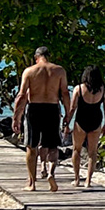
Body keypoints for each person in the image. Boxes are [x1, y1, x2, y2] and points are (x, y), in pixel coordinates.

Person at [12, 47, 71, 193]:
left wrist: (16, 117)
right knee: (52, 146)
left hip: (34, 108)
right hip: (52, 108)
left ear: (36, 57)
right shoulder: (59, 71)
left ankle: (32, 183)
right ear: (49, 56)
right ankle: (51, 173)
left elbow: (21, 96)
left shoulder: (29, 71)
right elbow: (65, 93)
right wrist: (68, 113)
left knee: (31, 147)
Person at [67, 66, 105, 189]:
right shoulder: (103, 90)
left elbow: (72, 108)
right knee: (92, 152)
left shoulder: (79, 89)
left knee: (76, 150)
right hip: (96, 121)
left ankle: (77, 179)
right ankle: (88, 181)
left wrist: (67, 123)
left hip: (81, 121)